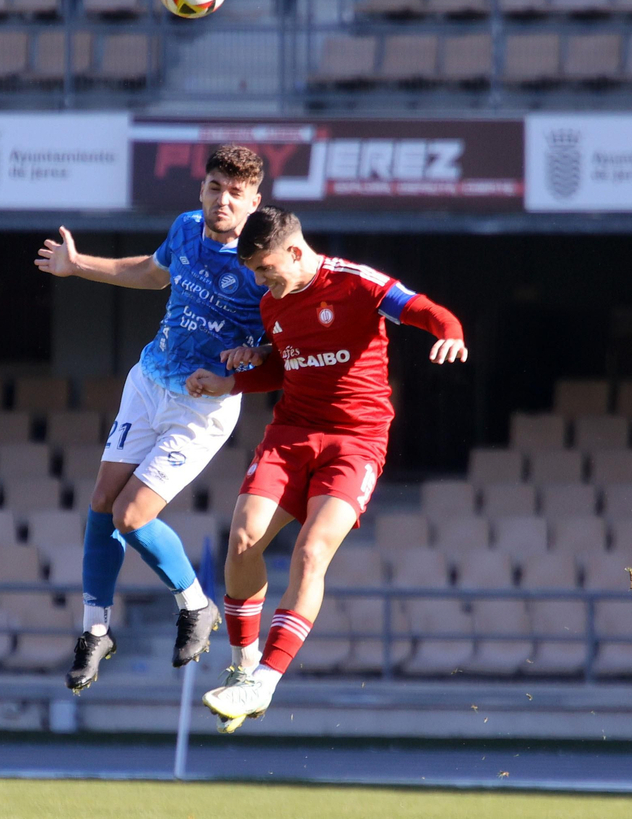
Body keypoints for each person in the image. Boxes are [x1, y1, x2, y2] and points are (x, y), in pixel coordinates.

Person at [185, 205, 467, 731]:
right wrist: (233, 380)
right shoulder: (274, 304)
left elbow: (425, 310)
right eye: (257, 274)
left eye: (268, 269)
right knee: (244, 538)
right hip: (292, 433)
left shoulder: (359, 284)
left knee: (312, 550)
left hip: (357, 441)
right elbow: (285, 368)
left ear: (295, 251)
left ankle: (265, 681)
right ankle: (243, 664)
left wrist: (449, 331)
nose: (263, 282)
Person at [35, 145, 270, 693]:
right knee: (101, 502)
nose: (223, 200)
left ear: (254, 202)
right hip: (148, 382)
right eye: (216, 187)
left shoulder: (262, 260)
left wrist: (252, 356)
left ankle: (196, 605)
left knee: (131, 516)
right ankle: (96, 630)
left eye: (237, 193)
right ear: (202, 190)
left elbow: (280, 339)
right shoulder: (187, 228)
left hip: (200, 406)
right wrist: (79, 266)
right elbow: (152, 271)